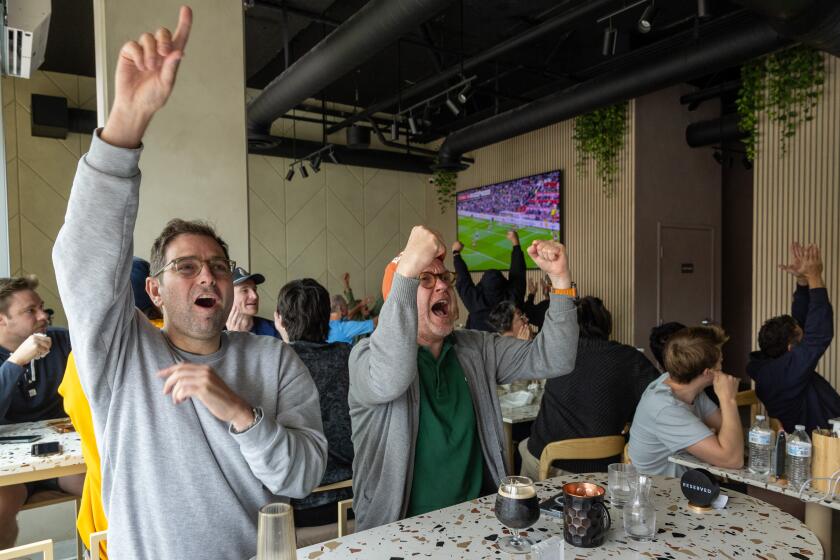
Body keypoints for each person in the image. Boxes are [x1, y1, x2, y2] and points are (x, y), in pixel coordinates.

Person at [52, 8, 326, 558]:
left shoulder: (274, 363)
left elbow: (302, 479)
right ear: (153, 291)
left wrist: (240, 413)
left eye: (220, 266)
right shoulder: (122, 351)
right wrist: (125, 126)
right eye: (185, 267)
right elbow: (83, 261)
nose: (208, 275)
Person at [349, 225, 579, 531]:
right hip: (398, 529)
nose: (442, 286)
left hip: (478, 521)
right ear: (398, 297)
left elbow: (555, 358)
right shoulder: (365, 357)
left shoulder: (476, 348)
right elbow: (390, 379)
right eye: (425, 280)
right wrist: (405, 270)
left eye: (444, 278)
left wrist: (561, 281)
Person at [519, 297, 660, 479]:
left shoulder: (556, 355)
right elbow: (659, 399)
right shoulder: (630, 358)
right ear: (606, 325)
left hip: (549, 461)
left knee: (525, 447)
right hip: (604, 466)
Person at [0, 275, 82, 548]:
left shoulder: (62, 341)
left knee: (105, 486)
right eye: (29, 311)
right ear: (2, 320)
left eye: (42, 307)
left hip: (63, 458)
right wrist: (17, 361)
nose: (43, 315)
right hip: (9, 472)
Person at [274, 279, 353, 532]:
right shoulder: (350, 356)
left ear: (279, 320)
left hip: (299, 508)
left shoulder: (275, 364)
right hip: (356, 496)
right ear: (328, 318)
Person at [747, 243, 839, 433]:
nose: (804, 330)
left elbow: (802, 325)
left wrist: (803, 282)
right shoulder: (784, 376)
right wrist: (815, 277)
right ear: (791, 348)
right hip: (823, 448)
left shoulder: (776, 364)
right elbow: (817, 335)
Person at [629, 326, 743, 476]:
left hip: (688, 482)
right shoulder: (665, 408)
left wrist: (721, 441)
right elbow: (733, 460)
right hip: (660, 492)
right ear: (708, 372)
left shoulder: (686, 386)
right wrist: (728, 400)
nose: (722, 367)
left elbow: (725, 430)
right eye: (720, 362)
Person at [453, 229, 527, 332]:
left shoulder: (474, 302)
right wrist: (516, 244)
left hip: (478, 347)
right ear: (504, 283)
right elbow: (518, 273)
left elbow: (463, 279)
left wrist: (456, 254)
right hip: (510, 346)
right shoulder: (513, 299)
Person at [225, 267, 279, 337]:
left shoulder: (273, 330)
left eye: (254, 289)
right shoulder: (216, 332)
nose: (255, 296)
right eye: (245, 290)